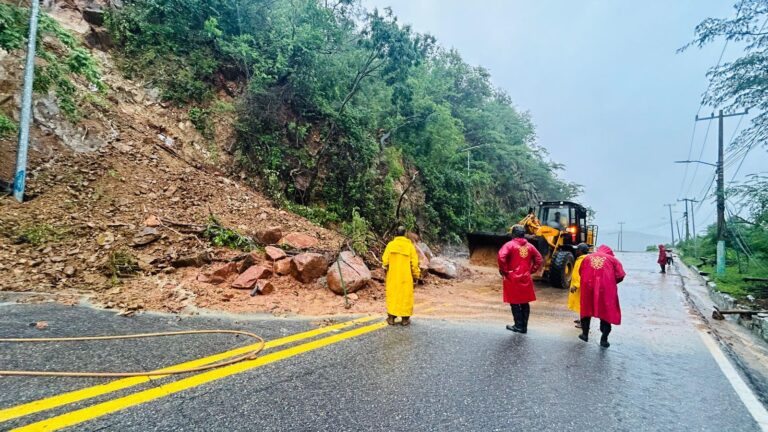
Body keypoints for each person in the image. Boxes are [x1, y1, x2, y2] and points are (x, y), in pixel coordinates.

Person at [498, 224, 543, 334]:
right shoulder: (530, 246)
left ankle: (518, 326)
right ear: (524, 235)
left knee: (514, 302)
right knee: (524, 302)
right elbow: (539, 259)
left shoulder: (510, 245)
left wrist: (504, 271)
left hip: (512, 277)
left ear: (513, 234)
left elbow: (501, 256)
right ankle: (524, 327)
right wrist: (531, 270)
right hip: (525, 277)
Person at [578, 244, 626, 348]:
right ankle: (604, 339)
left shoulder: (587, 258)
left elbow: (580, 272)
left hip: (588, 287)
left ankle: (585, 334)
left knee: (586, 309)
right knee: (605, 312)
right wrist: (611, 282)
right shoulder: (613, 260)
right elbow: (621, 275)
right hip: (606, 289)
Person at [382, 226, 421, 326]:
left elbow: (385, 261)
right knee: (405, 296)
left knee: (393, 295)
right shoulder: (410, 247)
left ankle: (391, 318)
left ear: (396, 233)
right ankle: (405, 319)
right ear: (405, 234)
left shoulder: (390, 245)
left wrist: (386, 269)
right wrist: (416, 276)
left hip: (393, 276)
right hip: (406, 277)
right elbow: (414, 263)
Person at [567, 243, 590, 328]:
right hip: (580, 286)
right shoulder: (581, 259)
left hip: (580, 286)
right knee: (580, 304)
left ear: (580, 251)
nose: (576, 251)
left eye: (577, 249)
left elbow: (581, 275)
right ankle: (581, 320)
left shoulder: (582, 260)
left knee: (582, 304)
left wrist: (576, 285)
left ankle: (583, 323)